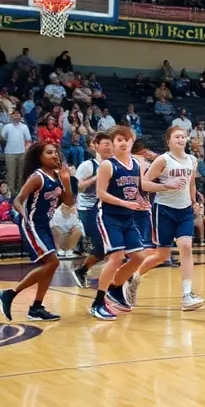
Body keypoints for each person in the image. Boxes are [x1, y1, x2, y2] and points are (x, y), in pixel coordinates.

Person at [0, 142, 73, 322]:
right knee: (53, 262)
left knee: (50, 266)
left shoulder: (58, 176)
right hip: (32, 224)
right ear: (40, 157)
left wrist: (67, 181)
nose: (55, 155)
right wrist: (24, 216)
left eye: (56, 152)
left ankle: (36, 308)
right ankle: (9, 294)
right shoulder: (37, 177)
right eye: (49, 152)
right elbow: (17, 200)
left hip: (45, 224)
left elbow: (69, 202)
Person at [128, 127, 205, 311]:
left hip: (184, 210)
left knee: (186, 247)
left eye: (183, 136)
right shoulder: (163, 160)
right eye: (177, 136)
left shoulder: (192, 160)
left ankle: (187, 295)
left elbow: (191, 184)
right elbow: (145, 184)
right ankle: (134, 278)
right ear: (169, 141)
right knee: (161, 255)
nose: (181, 139)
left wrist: (194, 202)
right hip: (164, 210)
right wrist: (167, 186)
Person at [90, 127, 151, 320]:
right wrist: (124, 203)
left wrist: (142, 201)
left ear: (132, 141)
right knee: (116, 257)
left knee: (139, 257)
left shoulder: (137, 164)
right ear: (113, 143)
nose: (123, 143)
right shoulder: (108, 165)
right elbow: (101, 193)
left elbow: (136, 190)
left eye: (126, 139)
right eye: (118, 140)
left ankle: (115, 288)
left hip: (128, 217)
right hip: (108, 216)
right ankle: (98, 303)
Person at [73, 133, 112, 287]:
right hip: (89, 209)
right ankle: (82, 270)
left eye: (111, 144)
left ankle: (112, 275)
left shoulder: (113, 164)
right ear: (96, 146)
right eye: (106, 144)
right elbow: (78, 187)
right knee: (101, 246)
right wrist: (97, 177)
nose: (109, 147)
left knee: (114, 245)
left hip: (106, 208)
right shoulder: (88, 165)